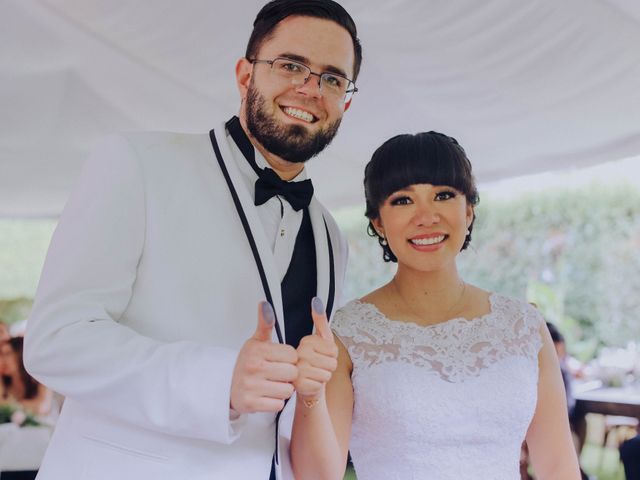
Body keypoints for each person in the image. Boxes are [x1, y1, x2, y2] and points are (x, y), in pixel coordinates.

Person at [24, 1, 361, 478]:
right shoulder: (136, 163)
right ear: (246, 76)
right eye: (290, 65)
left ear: (345, 101)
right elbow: (55, 340)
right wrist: (218, 381)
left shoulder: (330, 237)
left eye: (332, 78)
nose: (310, 88)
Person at [290, 132, 581, 479]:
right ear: (378, 222)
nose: (426, 216)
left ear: (469, 210)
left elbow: (560, 468)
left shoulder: (524, 325)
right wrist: (309, 397)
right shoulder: (347, 332)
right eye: (402, 200)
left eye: (443, 195)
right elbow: (316, 476)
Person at [1, 337, 53, 418]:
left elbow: (42, 407)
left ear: (20, 353)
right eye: (1, 355)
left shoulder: (40, 375)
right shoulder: (4, 381)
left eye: (8, 354)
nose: (2, 360)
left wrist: (9, 405)